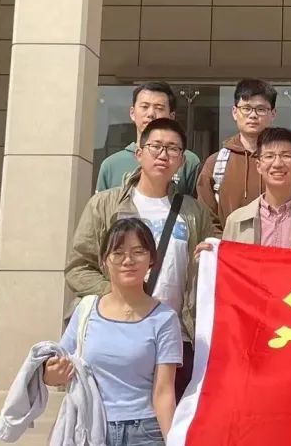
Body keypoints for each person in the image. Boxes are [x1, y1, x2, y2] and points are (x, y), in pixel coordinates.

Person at [66, 117, 218, 400]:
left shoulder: (194, 212)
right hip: (118, 331)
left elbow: (209, 274)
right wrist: (120, 297)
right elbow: (78, 268)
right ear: (139, 153)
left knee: (169, 414)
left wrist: (207, 260)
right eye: (156, 146)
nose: (163, 155)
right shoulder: (105, 205)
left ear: (181, 161)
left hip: (175, 336)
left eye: (173, 149)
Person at [47, 218, 182, 445]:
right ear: (104, 261)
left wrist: (173, 441)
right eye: (118, 253)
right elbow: (55, 372)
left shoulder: (165, 318)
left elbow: (164, 392)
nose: (128, 260)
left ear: (151, 259)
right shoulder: (86, 311)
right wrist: (51, 372)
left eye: (138, 252)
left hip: (145, 432)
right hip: (90, 428)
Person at [96, 82, 202, 196]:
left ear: (171, 117)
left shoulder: (188, 161)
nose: (151, 114)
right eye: (144, 107)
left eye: (159, 108)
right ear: (132, 113)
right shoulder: (111, 165)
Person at [197, 79, 278, 225]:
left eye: (261, 109)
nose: (253, 115)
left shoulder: (284, 162)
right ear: (235, 112)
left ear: (273, 114)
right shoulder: (216, 163)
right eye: (246, 108)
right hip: (228, 239)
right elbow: (207, 219)